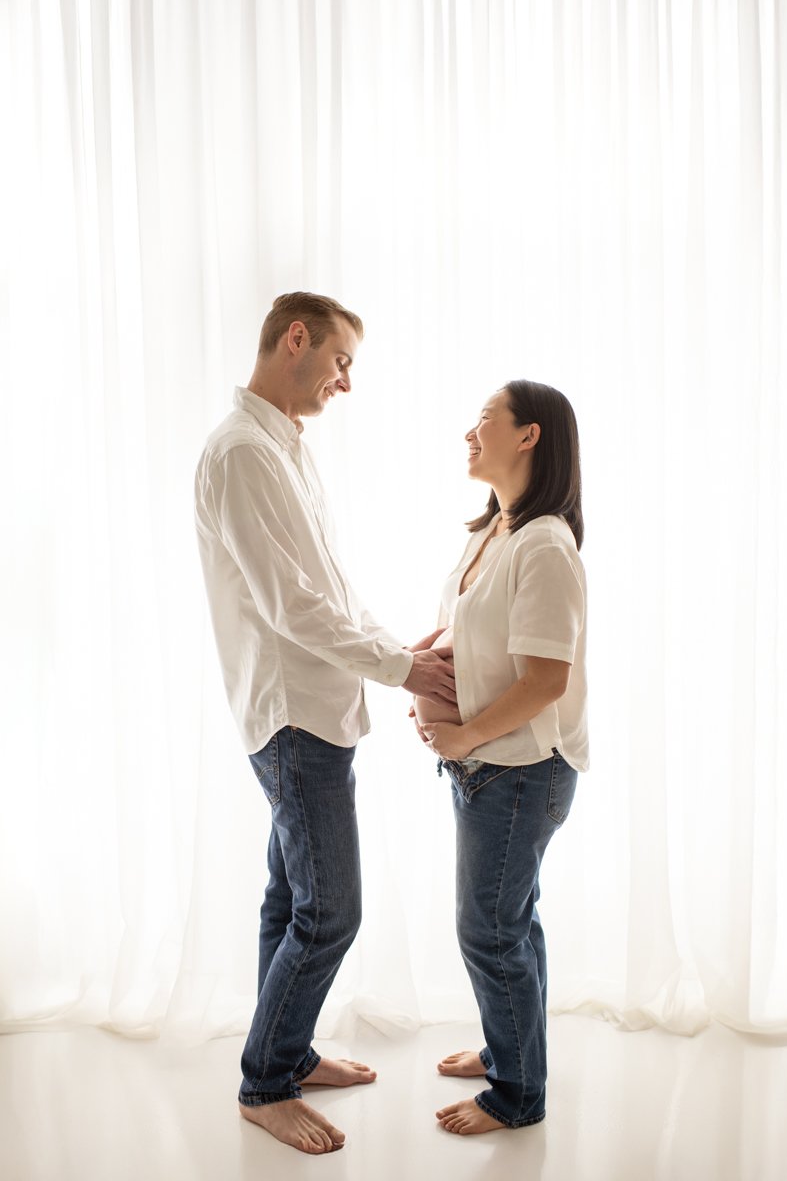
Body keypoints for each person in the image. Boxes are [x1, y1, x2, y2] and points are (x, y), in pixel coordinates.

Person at [194, 292, 455, 1155]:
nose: (346, 383)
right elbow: (291, 606)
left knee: (290, 897)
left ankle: (289, 1051)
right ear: (295, 340)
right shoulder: (241, 453)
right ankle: (264, 1083)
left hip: (318, 710)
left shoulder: (285, 448)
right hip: (292, 715)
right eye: (341, 361)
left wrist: (390, 649)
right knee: (329, 913)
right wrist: (403, 667)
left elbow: (327, 589)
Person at [412, 379, 588, 1135]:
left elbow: (547, 679)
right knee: (512, 922)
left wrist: (463, 736)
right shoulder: (492, 532)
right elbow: (470, 631)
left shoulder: (546, 543)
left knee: (488, 929)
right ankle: (507, 1048)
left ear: (529, 436)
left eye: (485, 420)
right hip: (487, 768)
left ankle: (517, 1094)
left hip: (519, 772)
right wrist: (425, 656)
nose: (468, 433)